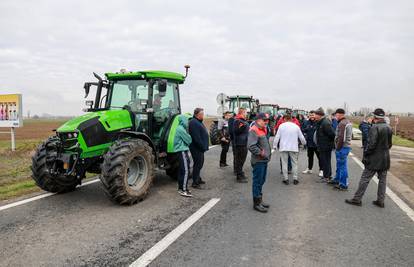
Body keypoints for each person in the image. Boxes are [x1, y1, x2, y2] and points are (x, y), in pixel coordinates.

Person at [345, 108, 393, 208]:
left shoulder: (374, 127)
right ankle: (381, 201)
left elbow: (371, 145)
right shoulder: (389, 127)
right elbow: (389, 144)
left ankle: (357, 199)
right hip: (385, 158)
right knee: (382, 180)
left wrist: (366, 154)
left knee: (365, 179)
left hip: (374, 159)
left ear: (375, 117)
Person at [248, 113, 272, 213]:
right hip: (259, 161)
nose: (266, 122)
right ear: (258, 120)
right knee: (257, 181)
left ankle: (260, 200)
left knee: (261, 181)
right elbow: (251, 146)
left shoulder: (262, 129)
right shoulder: (254, 129)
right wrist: (261, 153)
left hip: (264, 160)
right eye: (264, 120)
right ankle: (256, 203)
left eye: (267, 120)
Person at [273, 113, 306, 185]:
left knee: (284, 163)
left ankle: (286, 179)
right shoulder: (296, 126)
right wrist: (304, 143)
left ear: (284, 119)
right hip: (294, 147)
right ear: (291, 119)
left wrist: (274, 146)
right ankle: (295, 179)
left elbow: (277, 137)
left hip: (283, 147)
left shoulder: (281, 126)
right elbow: (301, 137)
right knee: (294, 163)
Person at [328, 108, 353, 190]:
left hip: (342, 147)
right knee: (340, 165)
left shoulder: (342, 123)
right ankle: (337, 179)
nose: (335, 116)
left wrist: (338, 148)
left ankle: (343, 184)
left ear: (340, 114)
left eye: (336, 114)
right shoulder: (347, 122)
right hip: (345, 147)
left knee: (342, 166)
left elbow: (341, 138)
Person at [188, 108, 209, 189]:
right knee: (197, 164)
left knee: (200, 163)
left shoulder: (198, 121)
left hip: (200, 148)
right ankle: (195, 183)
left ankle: (198, 178)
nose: (203, 115)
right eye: (202, 114)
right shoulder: (193, 122)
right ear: (197, 115)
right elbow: (196, 138)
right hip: (196, 148)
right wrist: (202, 146)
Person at [314, 107, 336, 182]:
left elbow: (332, 134)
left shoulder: (325, 123)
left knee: (326, 161)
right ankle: (327, 176)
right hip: (322, 146)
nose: (314, 116)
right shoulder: (321, 122)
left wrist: (327, 143)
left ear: (320, 115)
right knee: (325, 161)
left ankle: (327, 177)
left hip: (326, 146)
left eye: (315, 114)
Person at [173, 115, 193, 197]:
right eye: (187, 121)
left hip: (180, 151)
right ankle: (184, 190)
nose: (188, 123)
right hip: (182, 151)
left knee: (181, 170)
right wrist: (189, 136)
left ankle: (181, 188)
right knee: (186, 170)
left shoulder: (179, 128)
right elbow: (189, 140)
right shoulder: (181, 129)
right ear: (183, 121)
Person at [302, 111, 322, 175]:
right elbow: (303, 130)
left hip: (317, 144)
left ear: (315, 115)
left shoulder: (318, 123)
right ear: (309, 116)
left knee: (319, 157)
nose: (312, 116)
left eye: (313, 115)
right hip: (309, 143)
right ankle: (309, 169)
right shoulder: (306, 122)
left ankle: (321, 170)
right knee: (310, 157)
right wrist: (305, 129)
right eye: (310, 115)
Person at [233, 107, 250, 183]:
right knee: (239, 160)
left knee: (242, 160)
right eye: (246, 112)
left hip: (244, 143)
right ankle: (239, 176)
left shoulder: (243, 121)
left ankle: (240, 173)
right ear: (242, 113)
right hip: (240, 144)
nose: (246, 114)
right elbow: (236, 131)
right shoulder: (238, 121)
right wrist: (243, 126)